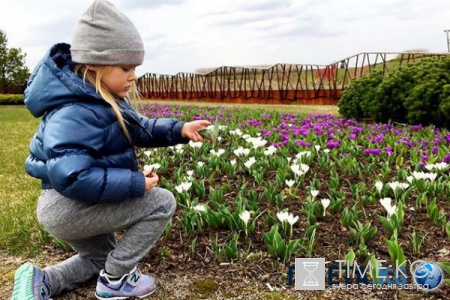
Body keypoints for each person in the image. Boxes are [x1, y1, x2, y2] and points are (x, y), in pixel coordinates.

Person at [10, 1, 211, 299]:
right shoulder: (75, 112)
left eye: (135, 68)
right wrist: (134, 184)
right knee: (161, 202)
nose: (133, 76)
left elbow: (141, 128)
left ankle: (41, 282)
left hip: (72, 203)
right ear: (95, 67)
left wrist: (179, 130)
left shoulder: (100, 101)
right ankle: (116, 280)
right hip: (68, 205)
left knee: (97, 258)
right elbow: (73, 176)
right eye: (125, 67)